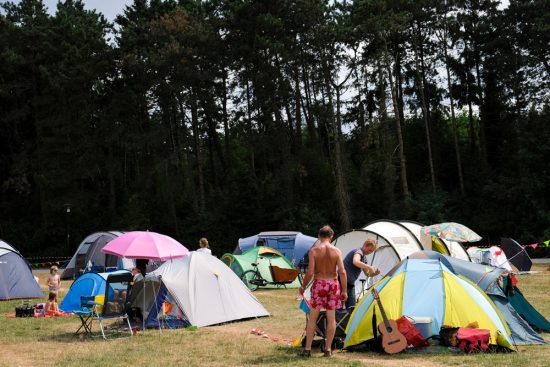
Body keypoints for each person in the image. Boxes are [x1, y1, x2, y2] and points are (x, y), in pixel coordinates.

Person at [299, 225, 347, 358]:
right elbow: (342, 272)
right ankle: (328, 350)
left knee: (313, 317)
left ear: (319, 236)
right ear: (331, 237)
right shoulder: (337, 251)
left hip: (319, 283)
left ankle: (307, 349)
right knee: (331, 318)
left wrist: (303, 287)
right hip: (333, 284)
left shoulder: (314, 251)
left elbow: (309, 272)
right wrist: (344, 291)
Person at [343, 239, 381, 309]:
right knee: (338, 308)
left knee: (352, 308)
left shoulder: (364, 258)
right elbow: (355, 261)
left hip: (350, 285)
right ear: (365, 245)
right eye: (369, 250)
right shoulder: (358, 252)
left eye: (371, 252)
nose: (369, 253)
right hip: (341, 282)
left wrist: (375, 273)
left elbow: (367, 274)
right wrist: (369, 266)